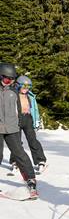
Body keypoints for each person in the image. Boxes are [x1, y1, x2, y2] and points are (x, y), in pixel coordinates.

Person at [0, 63, 37, 196]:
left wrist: (19, 123)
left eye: (11, 79)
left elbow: (20, 109)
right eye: (6, 79)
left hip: (12, 128)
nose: (9, 82)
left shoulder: (14, 91)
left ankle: (31, 180)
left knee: (19, 154)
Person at [8, 75, 47, 174]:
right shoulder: (12, 95)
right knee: (16, 142)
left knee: (32, 140)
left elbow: (35, 109)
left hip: (28, 119)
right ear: (18, 85)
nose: (26, 89)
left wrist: (36, 120)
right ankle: (15, 162)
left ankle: (40, 160)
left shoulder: (30, 96)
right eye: (24, 86)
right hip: (15, 120)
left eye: (28, 87)